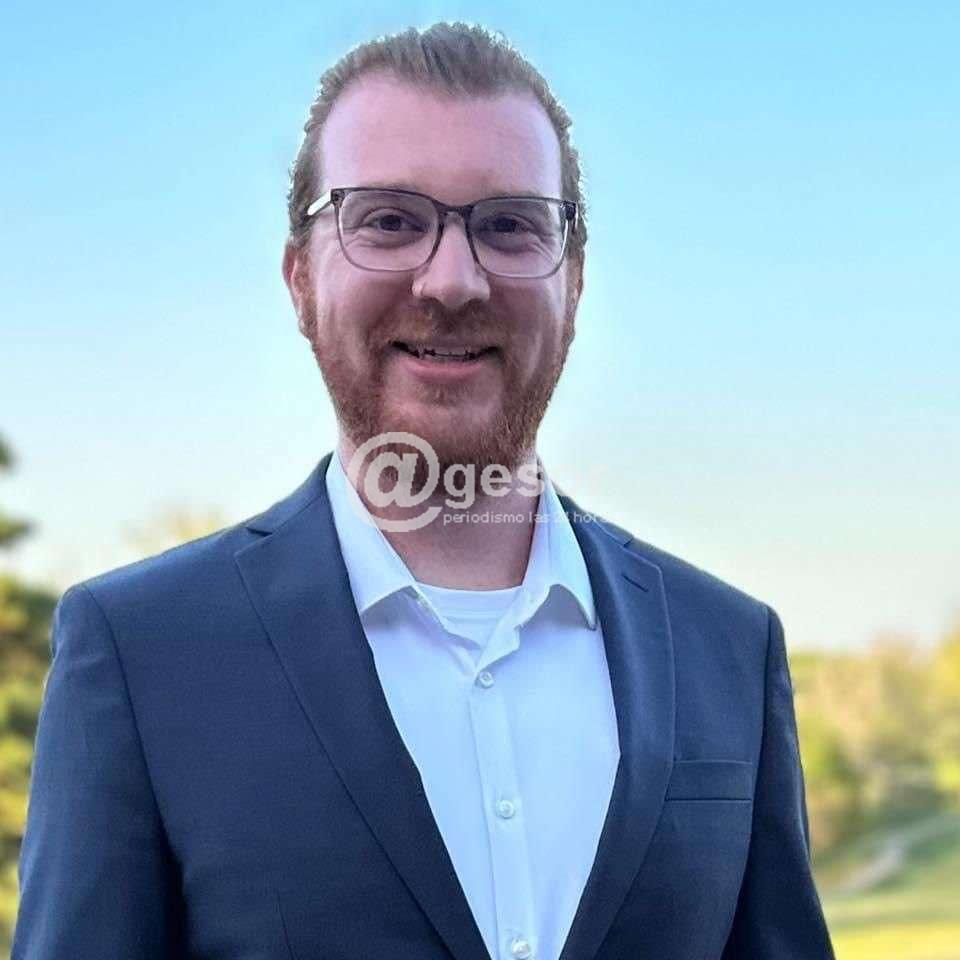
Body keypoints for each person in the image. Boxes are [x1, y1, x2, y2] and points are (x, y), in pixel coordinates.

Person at [12, 22, 835, 960]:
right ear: (299, 279)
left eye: (510, 225)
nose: (451, 280)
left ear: (573, 282)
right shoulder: (141, 654)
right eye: (389, 220)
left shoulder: (727, 648)